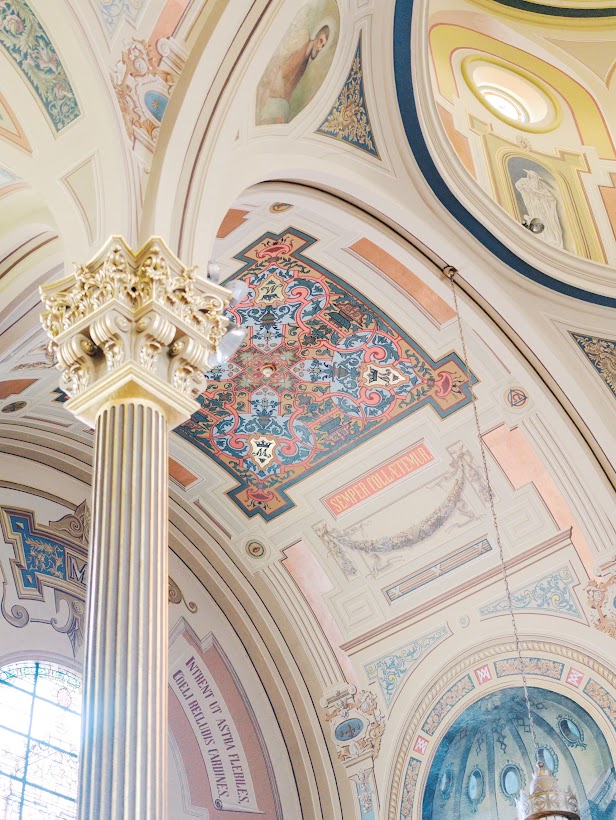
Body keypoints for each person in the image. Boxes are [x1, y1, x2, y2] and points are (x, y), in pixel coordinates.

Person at [257, 24, 330, 125]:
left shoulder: (305, 62)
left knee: (283, 114)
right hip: (274, 85)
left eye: (322, 46)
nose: (319, 47)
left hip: (280, 96)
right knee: (280, 114)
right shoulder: (303, 38)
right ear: (317, 35)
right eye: (320, 41)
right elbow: (282, 58)